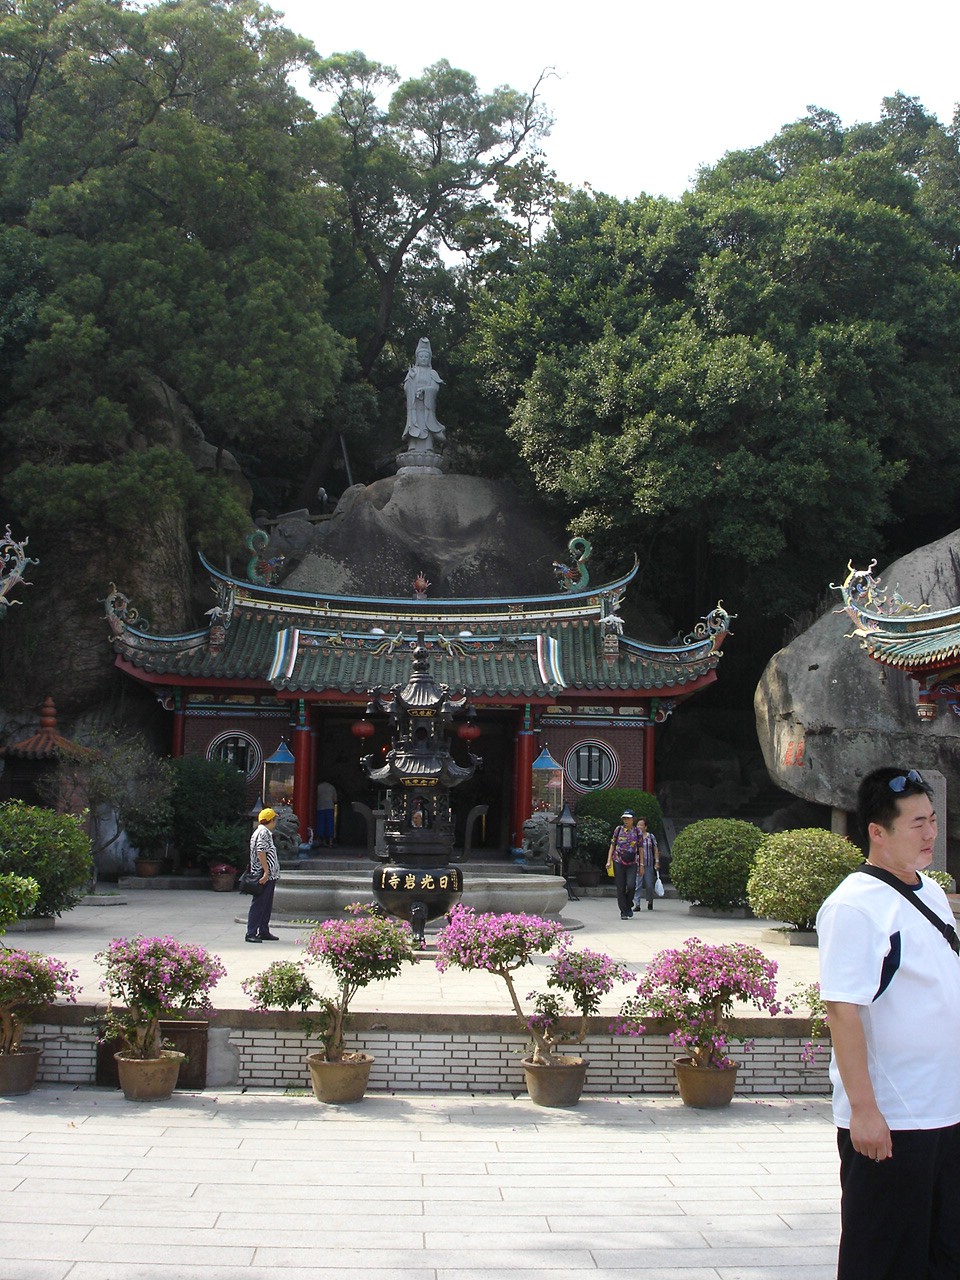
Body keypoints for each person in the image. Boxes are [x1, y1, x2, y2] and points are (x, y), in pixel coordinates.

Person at [817, 767, 960, 1279]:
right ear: (877, 831)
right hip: (895, 1118)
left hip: (946, 1109)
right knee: (883, 1259)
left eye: (933, 820)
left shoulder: (931, 891)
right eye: (917, 824)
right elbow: (842, 1009)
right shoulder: (854, 906)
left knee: (944, 1253)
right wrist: (864, 1111)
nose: (930, 834)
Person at [402, 337, 445, 452]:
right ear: (417, 358)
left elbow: (435, 388)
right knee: (414, 423)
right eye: (421, 356)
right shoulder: (413, 372)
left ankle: (428, 446)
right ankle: (412, 446)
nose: (423, 359)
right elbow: (406, 388)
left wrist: (425, 390)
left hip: (427, 407)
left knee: (426, 424)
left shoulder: (432, 373)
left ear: (429, 358)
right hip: (414, 406)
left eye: (426, 356)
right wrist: (411, 379)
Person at [245, 807, 280, 943]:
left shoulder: (260, 831)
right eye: (275, 819)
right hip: (264, 875)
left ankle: (263, 930)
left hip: (267, 875)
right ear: (271, 820)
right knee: (259, 904)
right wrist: (266, 871)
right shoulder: (263, 833)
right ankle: (251, 932)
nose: (276, 822)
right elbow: (261, 852)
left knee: (265, 904)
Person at [606, 809, 641, 919]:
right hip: (619, 860)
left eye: (628, 818)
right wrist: (608, 860)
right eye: (624, 818)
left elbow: (640, 848)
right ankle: (623, 911)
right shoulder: (618, 830)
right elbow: (612, 845)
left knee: (631, 885)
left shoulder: (637, 832)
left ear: (633, 819)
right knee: (620, 887)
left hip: (632, 862)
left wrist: (642, 865)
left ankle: (628, 903)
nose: (626, 820)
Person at [632, 816, 661, 911]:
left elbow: (655, 849)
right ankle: (637, 904)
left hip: (648, 864)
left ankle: (650, 901)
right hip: (637, 864)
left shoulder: (651, 837)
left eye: (641, 825)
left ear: (645, 827)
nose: (639, 827)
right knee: (637, 885)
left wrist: (657, 862)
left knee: (649, 885)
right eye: (638, 825)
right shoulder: (634, 836)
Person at [315, 779, 336, 848]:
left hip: (320, 807)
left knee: (320, 824)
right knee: (330, 824)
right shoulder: (332, 787)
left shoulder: (318, 787)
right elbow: (335, 799)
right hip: (330, 807)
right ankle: (330, 842)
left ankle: (318, 840)